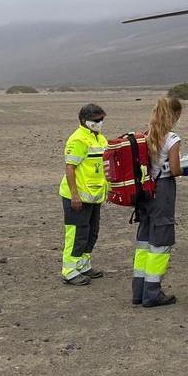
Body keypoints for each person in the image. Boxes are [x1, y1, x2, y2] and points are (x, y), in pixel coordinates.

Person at [131, 97, 186, 308]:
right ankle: (152, 293)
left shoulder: (146, 135)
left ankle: (138, 291)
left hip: (146, 190)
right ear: (175, 115)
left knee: (144, 241)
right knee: (161, 241)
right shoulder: (172, 138)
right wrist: (184, 168)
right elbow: (175, 169)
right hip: (163, 190)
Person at [59, 103, 108, 285]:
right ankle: (69, 270)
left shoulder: (100, 139)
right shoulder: (78, 140)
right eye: (96, 120)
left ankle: (83, 265)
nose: (99, 122)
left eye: (101, 119)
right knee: (77, 234)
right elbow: (70, 168)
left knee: (91, 232)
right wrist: (74, 195)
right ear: (84, 120)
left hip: (94, 195)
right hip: (78, 196)